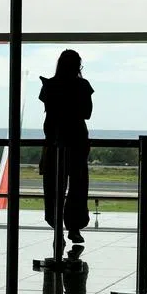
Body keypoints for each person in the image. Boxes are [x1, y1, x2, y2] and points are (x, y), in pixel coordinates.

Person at [39, 50, 93, 245]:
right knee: (78, 186)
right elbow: (87, 113)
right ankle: (74, 227)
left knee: (53, 188)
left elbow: (50, 114)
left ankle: (57, 229)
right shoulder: (82, 86)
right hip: (77, 140)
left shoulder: (50, 86)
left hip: (55, 141)